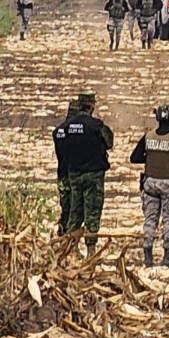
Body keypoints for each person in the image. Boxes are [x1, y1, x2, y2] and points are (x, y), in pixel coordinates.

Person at [130, 104, 169, 267]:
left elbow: (134, 157)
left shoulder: (148, 136)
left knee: (150, 219)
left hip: (150, 183)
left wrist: (152, 158)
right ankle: (167, 256)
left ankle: (148, 255)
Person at [54, 93, 114, 252]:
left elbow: (62, 149)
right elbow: (109, 142)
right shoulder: (96, 125)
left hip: (73, 174)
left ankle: (70, 249)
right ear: (91, 107)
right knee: (92, 212)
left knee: (75, 211)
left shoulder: (64, 127)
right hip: (93, 174)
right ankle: (91, 252)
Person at [53, 99, 80, 235]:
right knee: (74, 211)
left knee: (66, 209)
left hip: (62, 175)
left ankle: (63, 236)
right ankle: (66, 239)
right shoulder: (75, 132)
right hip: (73, 175)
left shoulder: (58, 131)